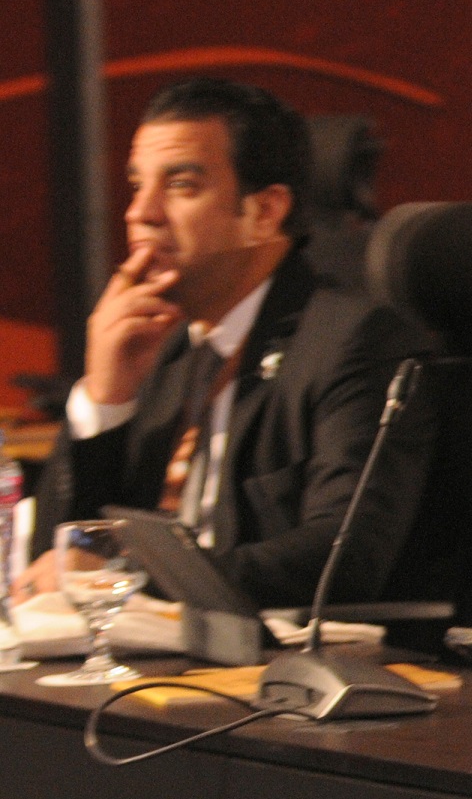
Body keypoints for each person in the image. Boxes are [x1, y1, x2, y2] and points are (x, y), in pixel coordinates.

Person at [30, 78, 437, 608]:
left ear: (264, 212)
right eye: (137, 185)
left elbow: (341, 557)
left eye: (181, 186)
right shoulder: (161, 348)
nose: (140, 213)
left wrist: (128, 578)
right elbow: (54, 561)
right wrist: (105, 399)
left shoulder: (355, 343)